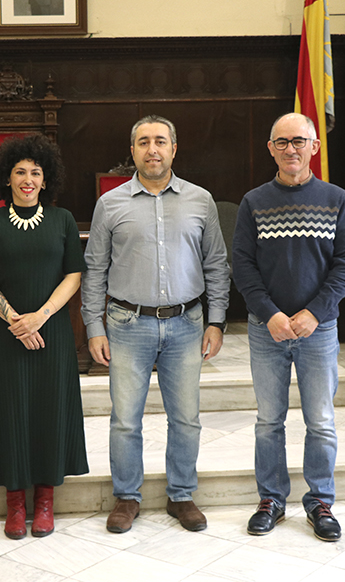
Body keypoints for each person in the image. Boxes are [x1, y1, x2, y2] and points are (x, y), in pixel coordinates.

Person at [82, 115, 230, 534]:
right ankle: (127, 497)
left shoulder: (200, 200)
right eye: (144, 142)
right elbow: (94, 269)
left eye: (160, 141)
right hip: (128, 324)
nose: (152, 149)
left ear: (173, 149)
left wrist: (216, 320)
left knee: (185, 417)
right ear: (133, 151)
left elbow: (217, 265)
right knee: (126, 419)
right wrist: (94, 327)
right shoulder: (110, 204)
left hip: (187, 324)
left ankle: (181, 494)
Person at [231, 112, 345, 542]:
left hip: (318, 331)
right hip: (266, 329)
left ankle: (320, 501)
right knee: (269, 420)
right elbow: (243, 267)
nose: (291, 149)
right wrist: (271, 314)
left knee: (321, 420)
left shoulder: (337, 199)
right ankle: (271, 499)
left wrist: (314, 313)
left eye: (299, 141)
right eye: (282, 142)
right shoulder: (253, 202)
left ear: (314, 147)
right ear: (271, 148)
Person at [0, 134, 88, 539]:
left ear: (45, 179)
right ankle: (15, 503)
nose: (27, 179)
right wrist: (14, 321)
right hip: (6, 338)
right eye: (20, 171)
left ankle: (44, 502)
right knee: (10, 414)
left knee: (47, 411)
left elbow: (73, 275)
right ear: (7, 178)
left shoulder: (63, 220)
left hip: (51, 332)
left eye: (35, 172)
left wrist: (39, 317)